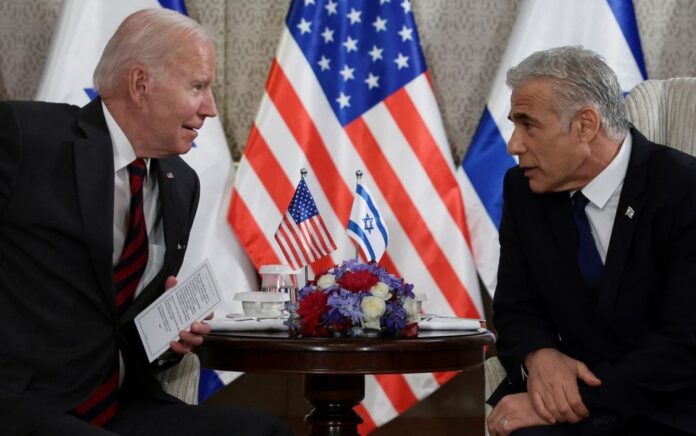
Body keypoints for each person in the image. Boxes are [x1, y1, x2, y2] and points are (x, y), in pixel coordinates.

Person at [0, 8, 291, 436]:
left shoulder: (180, 184)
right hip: (26, 403)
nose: (210, 108)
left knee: (263, 431)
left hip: (123, 405)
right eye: (198, 87)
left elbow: (122, 324)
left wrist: (170, 342)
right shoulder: (29, 139)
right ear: (140, 84)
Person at [486, 46, 696, 436]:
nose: (514, 145)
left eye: (528, 125)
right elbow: (516, 306)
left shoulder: (684, 193)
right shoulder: (523, 189)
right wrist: (540, 355)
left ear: (585, 125)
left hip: (669, 407)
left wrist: (579, 400)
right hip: (564, 409)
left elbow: (685, 343)